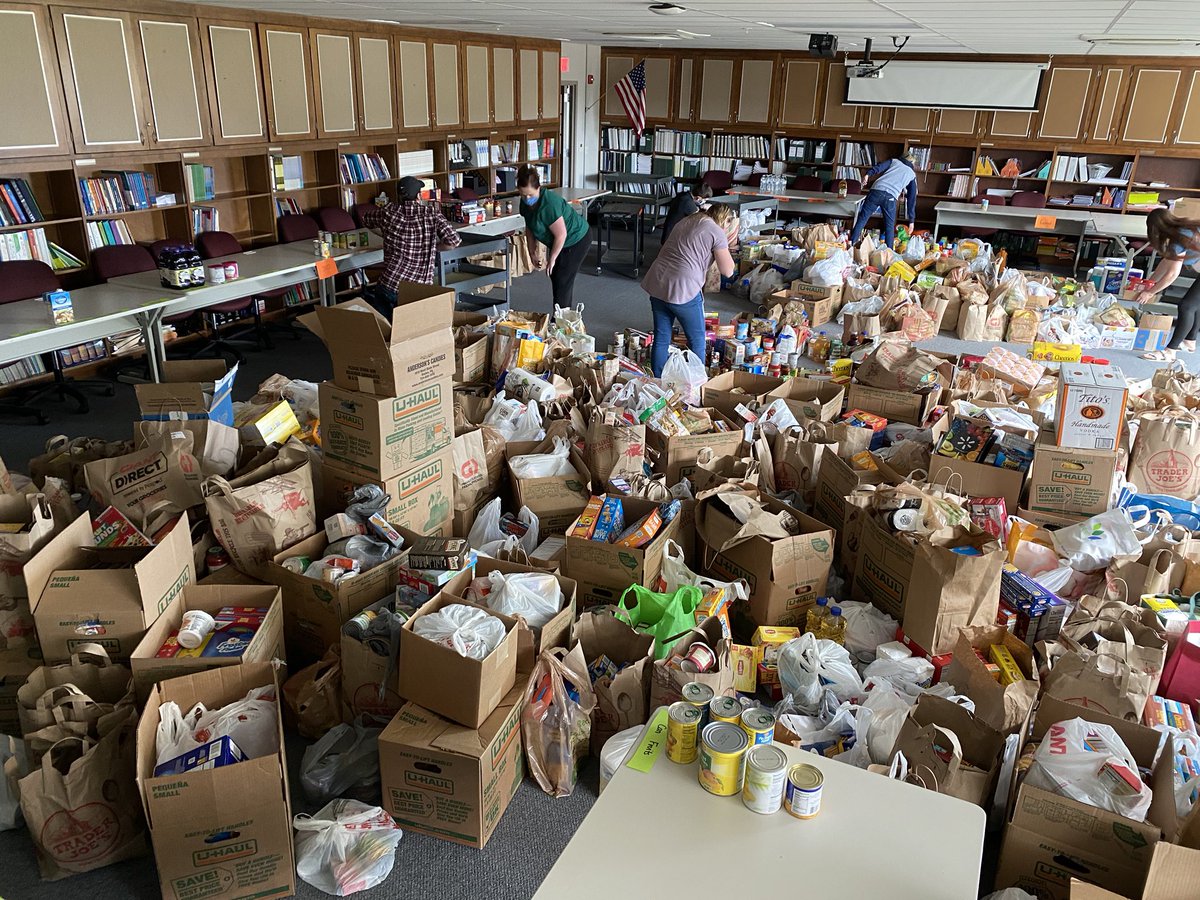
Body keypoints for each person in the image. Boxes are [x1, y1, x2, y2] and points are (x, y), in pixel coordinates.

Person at [641, 204, 736, 377]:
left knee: (661, 337)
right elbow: (728, 271)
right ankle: (696, 383)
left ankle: (658, 380)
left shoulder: (687, 220)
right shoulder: (716, 231)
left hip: (658, 280)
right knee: (697, 340)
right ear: (726, 220)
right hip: (683, 286)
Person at [359, 175, 461, 310]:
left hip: (389, 283)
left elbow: (366, 220)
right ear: (418, 196)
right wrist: (433, 247)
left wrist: (386, 234)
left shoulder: (388, 212)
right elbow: (453, 242)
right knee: (412, 329)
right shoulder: (431, 214)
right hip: (416, 290)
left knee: (385, 329)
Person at [517, 165, 591, 308]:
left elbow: (561, 234)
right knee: (556, 276)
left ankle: (560, 320)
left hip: (576, 239)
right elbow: (530, 228)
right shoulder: (525, 204)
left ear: (538, 188)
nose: (527, 198)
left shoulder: (549, 204)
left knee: (562, 278)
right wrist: (532, 253)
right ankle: (561, 317)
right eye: (523, 195)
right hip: (561, 240)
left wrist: (552, 259)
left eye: (530, 195)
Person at [1136, 207, 1200, 361]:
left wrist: (1150, 292)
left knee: (1187, 306)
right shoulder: (1182, 229)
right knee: (1195, 305)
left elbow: (1172, 274)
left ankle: (1170, 351)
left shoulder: (1177, 239)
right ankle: (1190, 341)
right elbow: (1166, 263)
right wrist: (1150, 282)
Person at [848, 151, 918, 248]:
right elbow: (911, 198)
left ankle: (850, 245)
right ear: (912, 163)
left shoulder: (894, 161)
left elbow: (879, 167)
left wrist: (868, 174)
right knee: (889, 227)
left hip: (876, 191)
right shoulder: (912, 174)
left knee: (862, 218)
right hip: (891, 197)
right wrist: (911, 221)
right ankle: (889, 254)